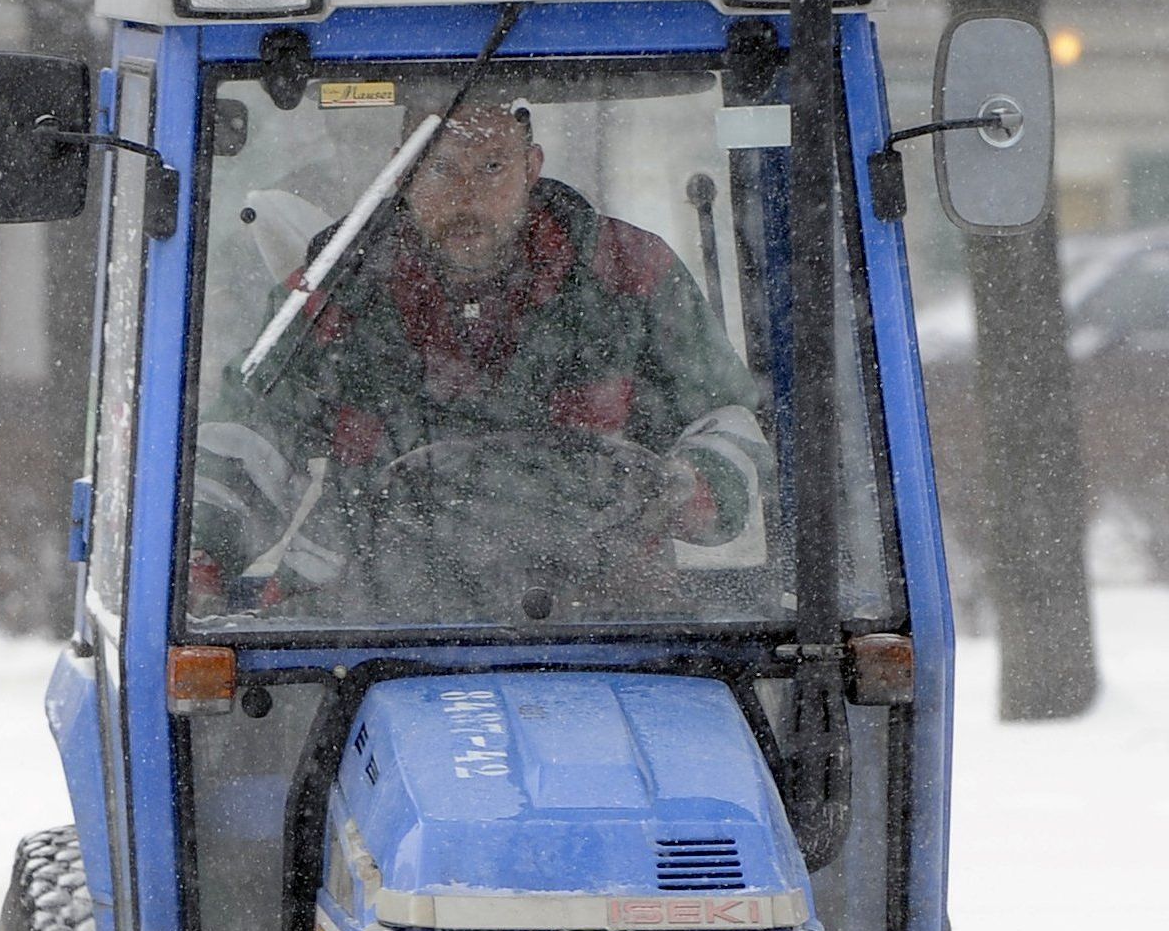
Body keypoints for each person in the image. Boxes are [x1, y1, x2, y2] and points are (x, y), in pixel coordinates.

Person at [194, 94, 771, 619]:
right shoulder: (338, 289)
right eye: (442, 167)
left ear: (532, 166)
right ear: (401, 171)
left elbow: (725, 422)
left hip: (609, 612)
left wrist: (687, 486)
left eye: (492, 166)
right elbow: (251, 439)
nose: (466, 195)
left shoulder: (628, 274)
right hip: (367, 620)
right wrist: (198, 556)